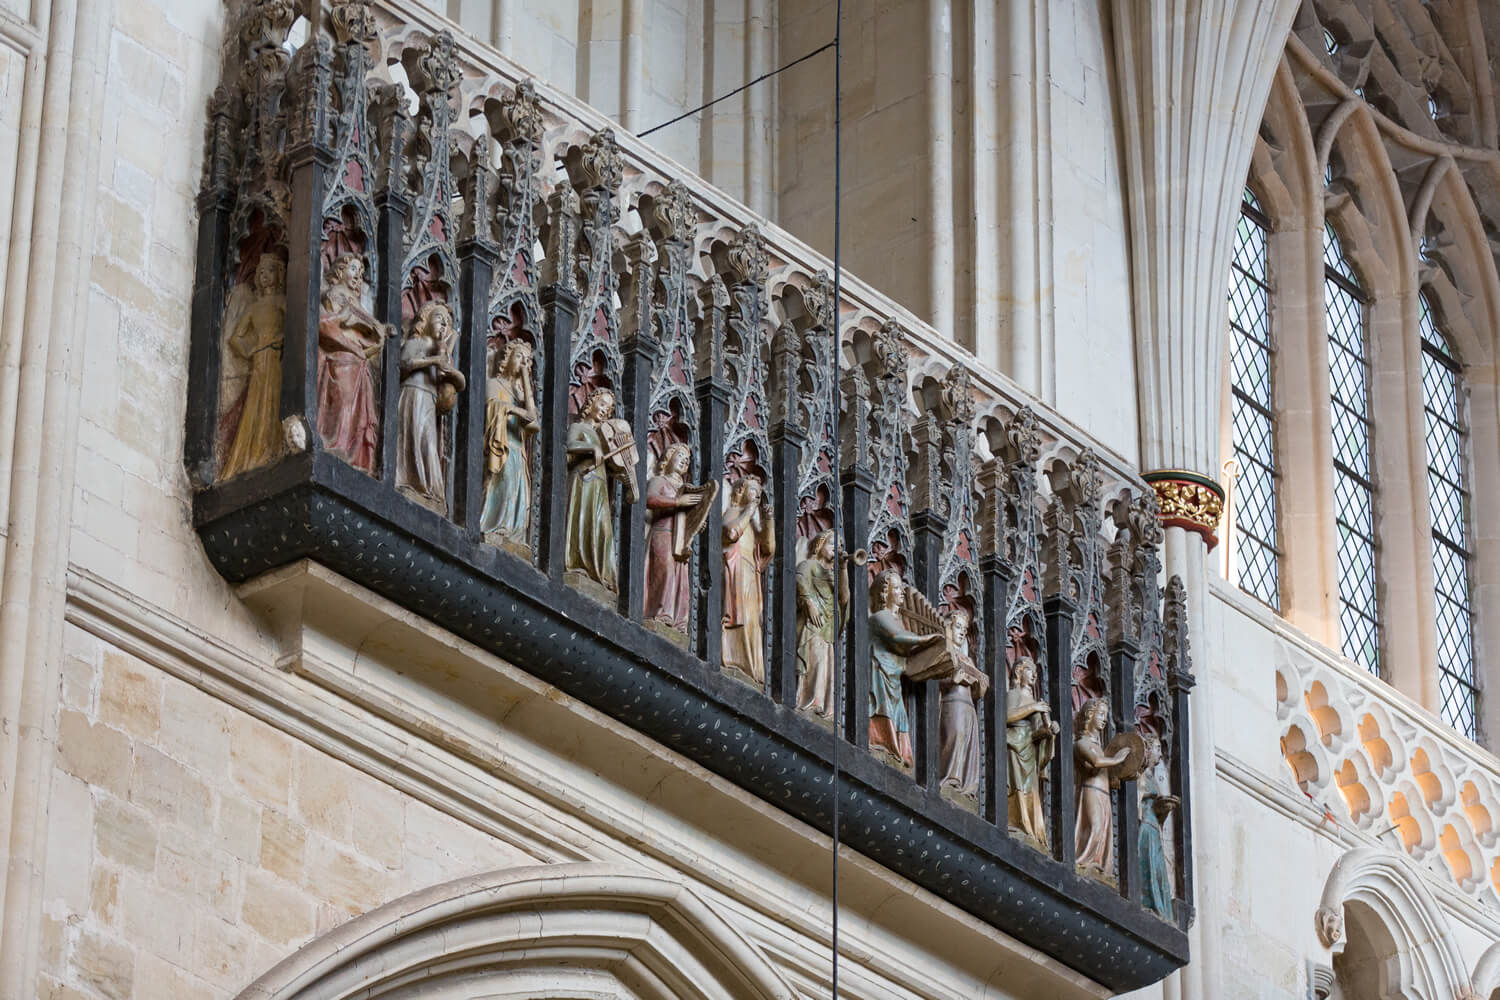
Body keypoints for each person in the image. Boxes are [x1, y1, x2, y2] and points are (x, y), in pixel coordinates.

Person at [317, 254, 388, 472]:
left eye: (361, 272)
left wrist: (377, 334)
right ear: (339, 271)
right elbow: (332, 325)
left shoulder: (355, 301)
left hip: (359, 362)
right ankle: (337, 444)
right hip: (343, 358)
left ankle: (355, 454)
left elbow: (364, 330)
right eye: (353, 269)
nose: (358, 275)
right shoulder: (335, 294)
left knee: (359, 412)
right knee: (343, 400)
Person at [867, 570, 944, 765]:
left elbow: (905, 646)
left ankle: (898, 755)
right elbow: (897, 637)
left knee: (899, 714)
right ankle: (882, 743)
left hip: (895, 677)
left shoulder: (899, 620)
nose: (902, 592)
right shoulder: (880, 616)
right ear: (885, 592)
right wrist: (928, 639)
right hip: (881, 673)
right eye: (897, 588)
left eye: (902, 588)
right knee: (883, 709)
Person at [220, 254, 286, 479]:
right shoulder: (254, 307)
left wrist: (280, 338)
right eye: (261, 272)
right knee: (257, 401)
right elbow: (235, 338)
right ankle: (254, 453)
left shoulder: (282, 302)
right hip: (260, 359)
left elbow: (295, 327)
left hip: (277, 359)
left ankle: (271, 448)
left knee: (273, 400)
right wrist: (250, 350)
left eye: (270, 271)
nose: (265, 276)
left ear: (280, 275)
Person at [396, 301, 465, 506]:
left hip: (429, 401)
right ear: (424, 321)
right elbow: (405, 364)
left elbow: (458, 383)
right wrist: (433, 360)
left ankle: (431, 492)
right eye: (439, 318)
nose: (443, 325)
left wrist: (451, 371)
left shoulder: (443, 353)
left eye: (447, 323)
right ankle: (407, 480)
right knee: (412, 438)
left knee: (428, 444)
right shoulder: (417, 344)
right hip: (412, 394)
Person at [643, 443, 710, 631]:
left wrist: (697, 520)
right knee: (664, 570)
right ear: (668, 458)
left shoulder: (685, 488)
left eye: (687, 460)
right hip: (662, 532)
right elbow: (650, 499)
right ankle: (658, 613)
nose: (684, 461)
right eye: (680, 456)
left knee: (680, 580)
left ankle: (676, 621)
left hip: (680, 541)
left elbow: (686, 518)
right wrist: (677, 501)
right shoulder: (660, 480)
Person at [565, 388, 627, 590]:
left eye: (608, 409)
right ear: (590, 403)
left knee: (602, 528)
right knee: (583, 520)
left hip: (599, 486)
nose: (604, 411)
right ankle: (578, 563)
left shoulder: (604, 438)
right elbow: (568, 445)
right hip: (584, 481)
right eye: (602, 404)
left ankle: (602, 575)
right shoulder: (580, 426)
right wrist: (591, 448)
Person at [479, 340, 539, 541]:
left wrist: (526, 384)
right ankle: (494, 525)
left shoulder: (522, 395)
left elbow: (534, 424)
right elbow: (490, 406)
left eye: (528, 360)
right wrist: (514, 409)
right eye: (519, 356)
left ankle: (513, 533)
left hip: (516, 450)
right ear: (507, 359)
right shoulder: (495, 384)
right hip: (500, 446)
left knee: (517, 491)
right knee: (502, 484)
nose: (524, 362)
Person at [722, 476, 774, 682]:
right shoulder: (735, 512)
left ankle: (751, 666)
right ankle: (735, 658)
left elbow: (769, 548)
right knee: (738, 615)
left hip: (751, 574)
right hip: (736, 570)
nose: (757, 497)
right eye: (753, 491)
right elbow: (732, 532)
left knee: (752, 621)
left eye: (759, 494)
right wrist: (749, 510)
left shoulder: (752, 524)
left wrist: (768, 521)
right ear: (739, 492)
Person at [795, 530, 850, 715]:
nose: (836, 549)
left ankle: (821, 704)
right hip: (812, 626)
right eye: (832, 544)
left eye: (840, 546)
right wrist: (809, 602)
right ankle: (809, 701)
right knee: (815, 661)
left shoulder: (834, 576)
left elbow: (844, 598)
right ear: (819, 546)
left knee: (826, 668)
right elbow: (799, 577)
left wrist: (842, 568)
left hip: (828, 628)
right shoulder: (810, 565)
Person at [1005, 655, 1058, 848]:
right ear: (1019, 672)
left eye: (1035, 672)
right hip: (1013, 745)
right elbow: (1007, 716)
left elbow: (1036, 734)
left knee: (1031, 789)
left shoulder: (1035, 701)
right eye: (1029, 670)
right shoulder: (1013, 694)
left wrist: (1050, 731)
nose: (1034, 675)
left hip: (1028, 749)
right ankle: (1016, 822)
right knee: (1017, 786)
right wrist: (1033, 707)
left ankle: (1031, 828)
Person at [1074, 697, 1130, 873]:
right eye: (1100, 714)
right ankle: (1083, 861)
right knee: (1095, 827)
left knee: (1104, 833)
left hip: (1104, 793)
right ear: (1089, 716)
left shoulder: (1101, 748)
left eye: (1106, 715)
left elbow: (1108, 771)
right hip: (1091, 790)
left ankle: (1098, 866)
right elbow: (1096, 762)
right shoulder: (1082, 743)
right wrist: (1117, 759)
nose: (1104, 719)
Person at [937, 608, 989, 796]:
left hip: (968, 707)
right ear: (948, 627)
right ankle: (949, 778)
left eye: (964, 629)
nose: (961, 632)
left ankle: (966, 787)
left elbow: (976, 689)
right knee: (955, 736)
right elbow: (934, 677)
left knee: (969, 745)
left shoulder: (966, 658)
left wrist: (981, 687)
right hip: (953, 702)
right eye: (957, 627)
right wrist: (953, 679)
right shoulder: (944, 650)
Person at [1138, 731, 1177, 920]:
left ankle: (1160, 908)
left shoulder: (1151, 778)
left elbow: (1154, 806)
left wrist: (1165, 807)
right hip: (1145, 826)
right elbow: (1137, 799)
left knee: (1159, 870)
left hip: (1154, 825)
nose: (1160, 755)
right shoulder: (1140, 775)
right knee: (1149, 866)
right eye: (1157, 749)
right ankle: (1148, 902)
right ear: (1147, 750)